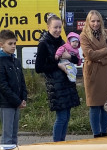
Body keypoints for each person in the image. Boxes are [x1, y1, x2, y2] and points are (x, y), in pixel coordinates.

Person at [34, 13, 79, 142]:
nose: (58, 30)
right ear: (48, 27)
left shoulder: (62, 42)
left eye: (60, 27)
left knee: (67, 117)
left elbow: (75, 59)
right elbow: (39, 68)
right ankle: (56, 145)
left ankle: (62, 143)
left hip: (67, 84)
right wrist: (58, 66)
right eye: (55, 27)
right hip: (56, 85)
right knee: (62, 117)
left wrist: (69, 57)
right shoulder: (43, 44)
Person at [79, 10, 107, 137]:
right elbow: (89, 54)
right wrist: (106, 50)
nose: (95, 23)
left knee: (104, 105)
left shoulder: (106, 33)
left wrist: (102, 59)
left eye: (97, 21)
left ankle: (104, 132)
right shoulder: (84, 35)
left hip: (105, 71)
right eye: (93, 21)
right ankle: (96, 134)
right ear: (88, 22)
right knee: (94, 106)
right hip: (92, 74)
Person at [0, 29, 27, 145]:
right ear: (1, 45)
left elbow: (22, 81)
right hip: (7, 103)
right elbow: (3, 86)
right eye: (10, 44)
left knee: (14, 133)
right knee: (7, 134)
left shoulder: (16, 61)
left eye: (14, 43)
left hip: (17, 102)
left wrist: (23, 98)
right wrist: (17, 101)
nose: (13, 46)